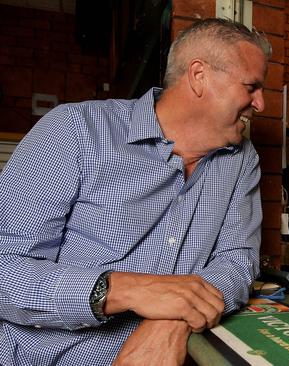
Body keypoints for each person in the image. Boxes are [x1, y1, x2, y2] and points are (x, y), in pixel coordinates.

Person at [0, 18, 270, 365]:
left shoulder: (241, 160)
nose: (260, 104)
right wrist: (127, 289)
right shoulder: (74, 131)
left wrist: (175, 316)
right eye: (251, 87)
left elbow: (237, 259)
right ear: (199, 76)